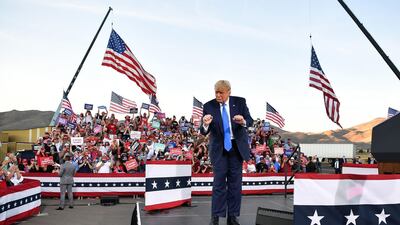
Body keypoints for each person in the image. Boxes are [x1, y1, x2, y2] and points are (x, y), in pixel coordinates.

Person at [200, 80, 253, 225]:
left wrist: (243, 121)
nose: (218, 95)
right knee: (218, 184)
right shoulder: (208, 106)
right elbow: (203, 130)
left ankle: (232, 217)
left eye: (221, 93)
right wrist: (205, 123)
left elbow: (250, 120)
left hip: (236, 149)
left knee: (235, 185)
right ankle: (215, 217)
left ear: (229, 92)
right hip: (219, 150)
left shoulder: (240, 102)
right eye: (216, 92)